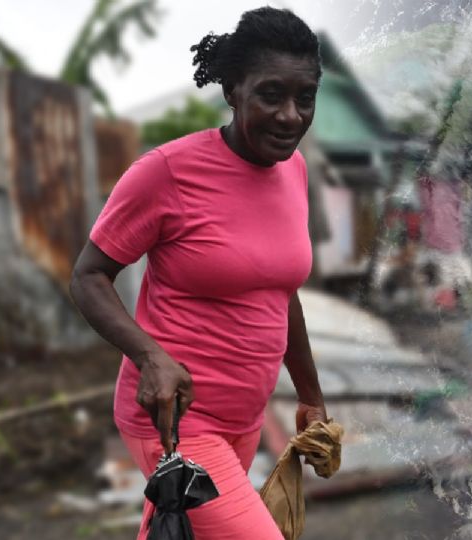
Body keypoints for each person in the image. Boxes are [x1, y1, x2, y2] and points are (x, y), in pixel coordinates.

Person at [69, 7, 326, 539]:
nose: (290, 116)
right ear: (233, 89)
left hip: (243, 421)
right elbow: (89, 276)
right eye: (271, 94)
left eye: (306, 98)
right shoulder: (166, 172)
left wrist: (310, 395)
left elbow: (281, 292)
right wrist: (149, 356)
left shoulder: (293, 170)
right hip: (174, 421)